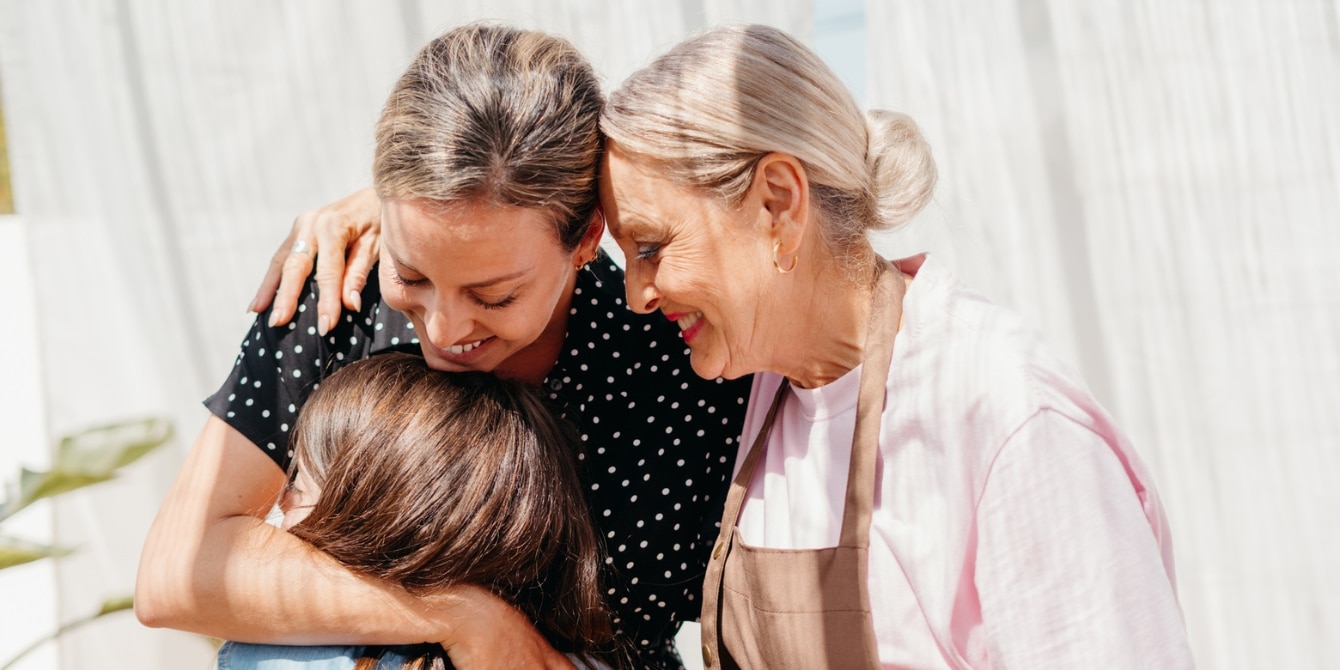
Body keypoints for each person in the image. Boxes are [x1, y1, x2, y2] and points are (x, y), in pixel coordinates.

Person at [135, 23, 752, 670]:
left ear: (586, 237)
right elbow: (179, 569)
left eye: (494, 296)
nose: (445, 329)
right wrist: (464, 619)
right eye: (412, 276)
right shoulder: (339, 288)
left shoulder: (673, 349)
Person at [592, 23, 1195, 669]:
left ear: (776, 203)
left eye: (652, 247)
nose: (636, 296)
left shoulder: (1009, 418)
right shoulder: (766, 394)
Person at [215, 353, 622, 669]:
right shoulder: (574, 660)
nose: (281, 502)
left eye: (299, 485)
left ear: (374, 514)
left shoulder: (273, 656)